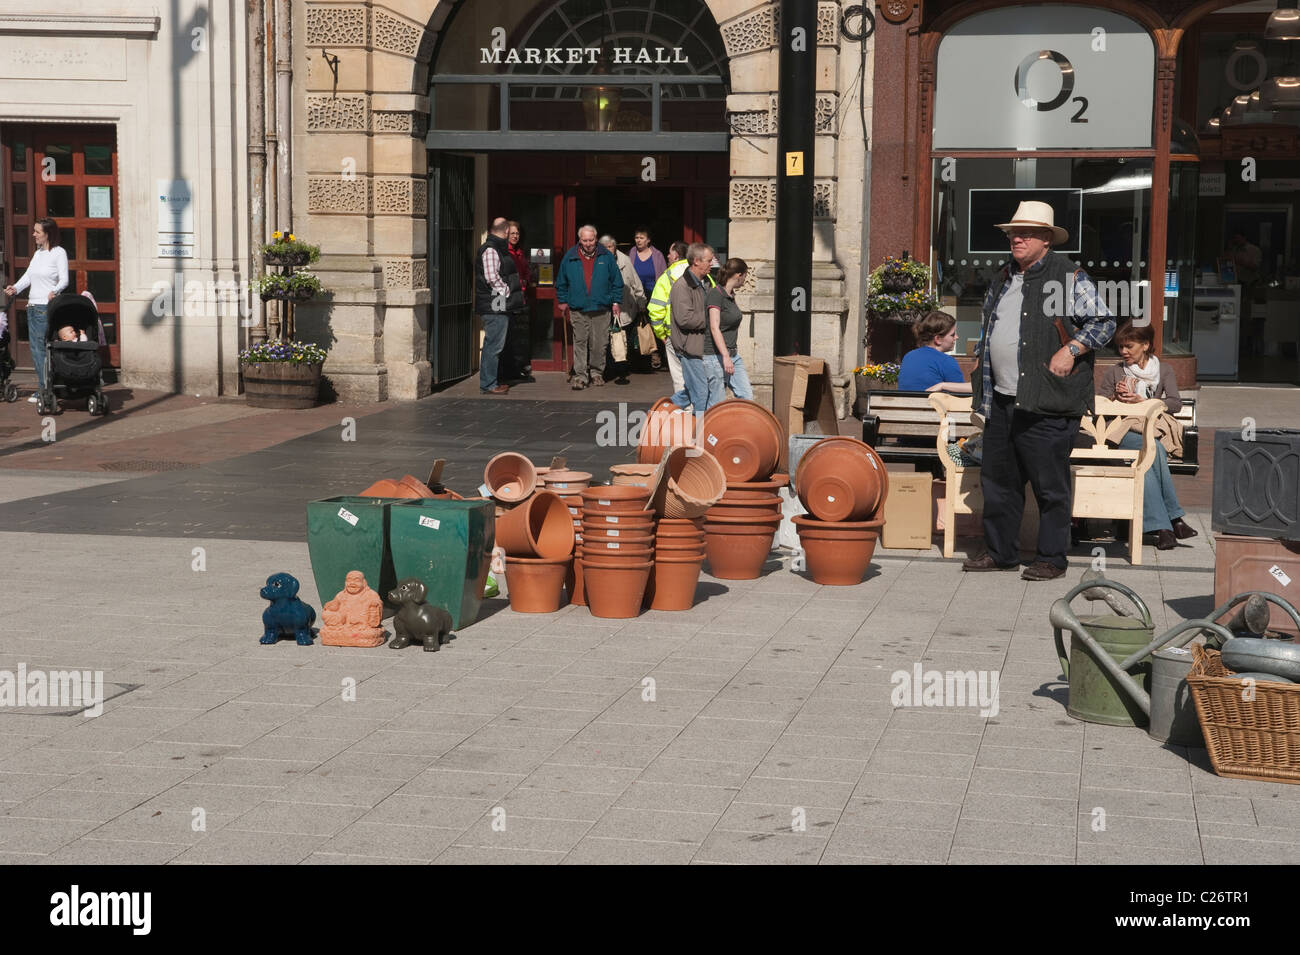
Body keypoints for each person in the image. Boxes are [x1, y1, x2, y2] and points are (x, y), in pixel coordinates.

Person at [962, 200, 1116, 581]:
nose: (1017, 238)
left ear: (1046, 239)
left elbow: (1104, 321)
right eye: (1014, 232)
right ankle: (1001, 553)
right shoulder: (1002, 277)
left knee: (1050, 487)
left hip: (1049, 400)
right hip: (1001, 397)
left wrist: (1072, 348)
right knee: (998, 482)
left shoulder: (1069, 275)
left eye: (1026, 233)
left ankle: (1051, 559)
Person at [1098, 322, 1197, 550]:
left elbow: (1174, 402)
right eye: (1120, 347)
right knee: (1153, 449)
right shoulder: (1115, 371)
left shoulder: (1163, 370)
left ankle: (1164, 528)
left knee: (1151, 452)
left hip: (1152, 429)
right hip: (1122, 431)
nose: (1123, 351)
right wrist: (1117, 398)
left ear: (1145, 345)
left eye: (1129, 346)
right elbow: (1099, 406)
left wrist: (1144, 403)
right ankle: (1173, 521)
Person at [4, 217, 69, 402]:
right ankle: (46, 386)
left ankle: (44, 389)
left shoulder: (58, 253)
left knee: (41, 348)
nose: (33, 234)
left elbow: (64, 280)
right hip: (32, 307)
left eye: (37, 232)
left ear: (48, 234)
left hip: (45, 307)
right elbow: (29, 276)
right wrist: (15, 288)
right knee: (37, 349)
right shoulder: (38, 253)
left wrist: (54, 291)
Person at [555, 224, 622, 390]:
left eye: (591, 240)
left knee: (599, 343)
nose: (588, 243)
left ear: (596, 239)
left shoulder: (606, 256)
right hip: (578, 308)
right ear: (580, 240)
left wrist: (616, 302)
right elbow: (561, 282)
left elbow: (617, 282)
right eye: (584, 240)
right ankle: (580, 376)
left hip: (601, 307)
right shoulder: (570, 256)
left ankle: (597, 373)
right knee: (580, 342)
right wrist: (563, 301)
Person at [473, 217, 523, 395]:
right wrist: (507, 291)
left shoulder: (496, 248)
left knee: (495, 345)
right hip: (495, 304)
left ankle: (492, 380)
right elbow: (492, 277)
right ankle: (488, 384)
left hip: (498, 303)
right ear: (506, 231)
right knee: (493, 345)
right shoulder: (491, 250)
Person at [668, 242, 715, 420]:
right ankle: (698, 432)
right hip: (690, 348)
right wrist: (712, 319)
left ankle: (661, 413)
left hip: (700, 347)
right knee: (701, 393)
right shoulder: (682, 286)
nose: (712, 264)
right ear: (696, 261)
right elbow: (684, 319)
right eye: (709, 261)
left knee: (692, 390)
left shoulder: (705, 283)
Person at [702, 257, 754, 406]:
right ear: (739, 275)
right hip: (714, 356)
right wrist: (725, 356)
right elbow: (714, 327)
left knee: (746, 396)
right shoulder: (715, 294)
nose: (745, 279)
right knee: (715, 402)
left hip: (732, 355)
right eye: (745, 275)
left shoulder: (731, 295)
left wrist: (729, 356)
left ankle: (738, 428)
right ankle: (705, 428)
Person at [600, 235, 647, 385]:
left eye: (610, 246)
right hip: (603, 308)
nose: (608, 249)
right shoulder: (597, 260)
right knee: (606, 340)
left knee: (621, 339)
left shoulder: (624, 260)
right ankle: (608, 369)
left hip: (624, 307)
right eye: (605, 247)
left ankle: (621, 371)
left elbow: (635, 281)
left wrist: (641, 302)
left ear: (615, 247)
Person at [898, 311, 971, 394]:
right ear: (938, 339)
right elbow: (961, 395)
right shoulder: (946, 361)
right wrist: (943, 385)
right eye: (952, 335)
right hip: (931, 406)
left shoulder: (909, 356)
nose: (956, 337)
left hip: (906, 405)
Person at [631, 229, 667, 369]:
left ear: (648, 240)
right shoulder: (632, 254)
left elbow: (663, 276)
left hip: (654, 295)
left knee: (654, 325)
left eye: (641, 238)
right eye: (636, 237)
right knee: (637, 326)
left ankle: (655, 353)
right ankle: (638, 358)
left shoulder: (657, 255)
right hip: (636, 295)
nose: (638, 240)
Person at [503, 221, 534, 383]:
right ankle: (511, 369)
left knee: (520, 335)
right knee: (509, 336)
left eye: (517, 233)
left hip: (521, 297)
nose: (515, 236)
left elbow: (525, 271)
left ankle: (519, 366)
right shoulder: (504, 252)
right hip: (509, 299)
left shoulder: (520, 252)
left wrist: (527, 280)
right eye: (512, 233)